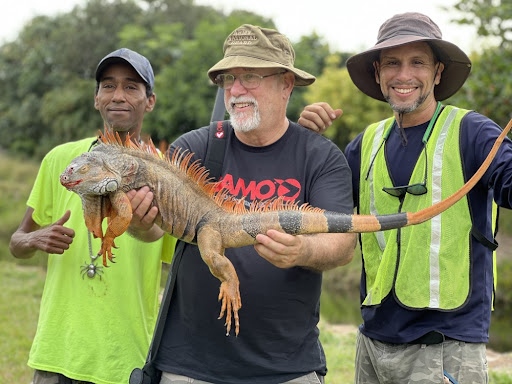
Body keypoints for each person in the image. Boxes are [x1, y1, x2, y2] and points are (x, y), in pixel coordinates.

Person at [131, 24, 357, 384]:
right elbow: (154, 229)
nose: (235, 91)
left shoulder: (320, 156)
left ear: (286, 84)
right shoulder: (195, 147)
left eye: (250, 76)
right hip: (189, 368)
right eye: (228, 79)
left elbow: (344, 244)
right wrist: (138, 223)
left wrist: (302, 250)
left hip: (287, 369)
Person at [298, 12, 512, 384]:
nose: (404, 75)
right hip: (372, 344)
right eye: (393, 63)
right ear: (379, 73)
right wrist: (306, 145)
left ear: (438, 73)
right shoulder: (363, 145)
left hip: (447, 346)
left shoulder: (473, 132)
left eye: (418, 62)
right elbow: (314, 216)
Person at [9, 48, 175, 384]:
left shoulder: (166, 175)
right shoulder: (61, 160)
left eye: (131, 87)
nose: (118, 96)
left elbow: (178, 272)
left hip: (126, 360)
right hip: (57, 353)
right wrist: (33, 239)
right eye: (108, 86)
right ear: (96, 98)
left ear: (150, 101)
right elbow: (16, 243)